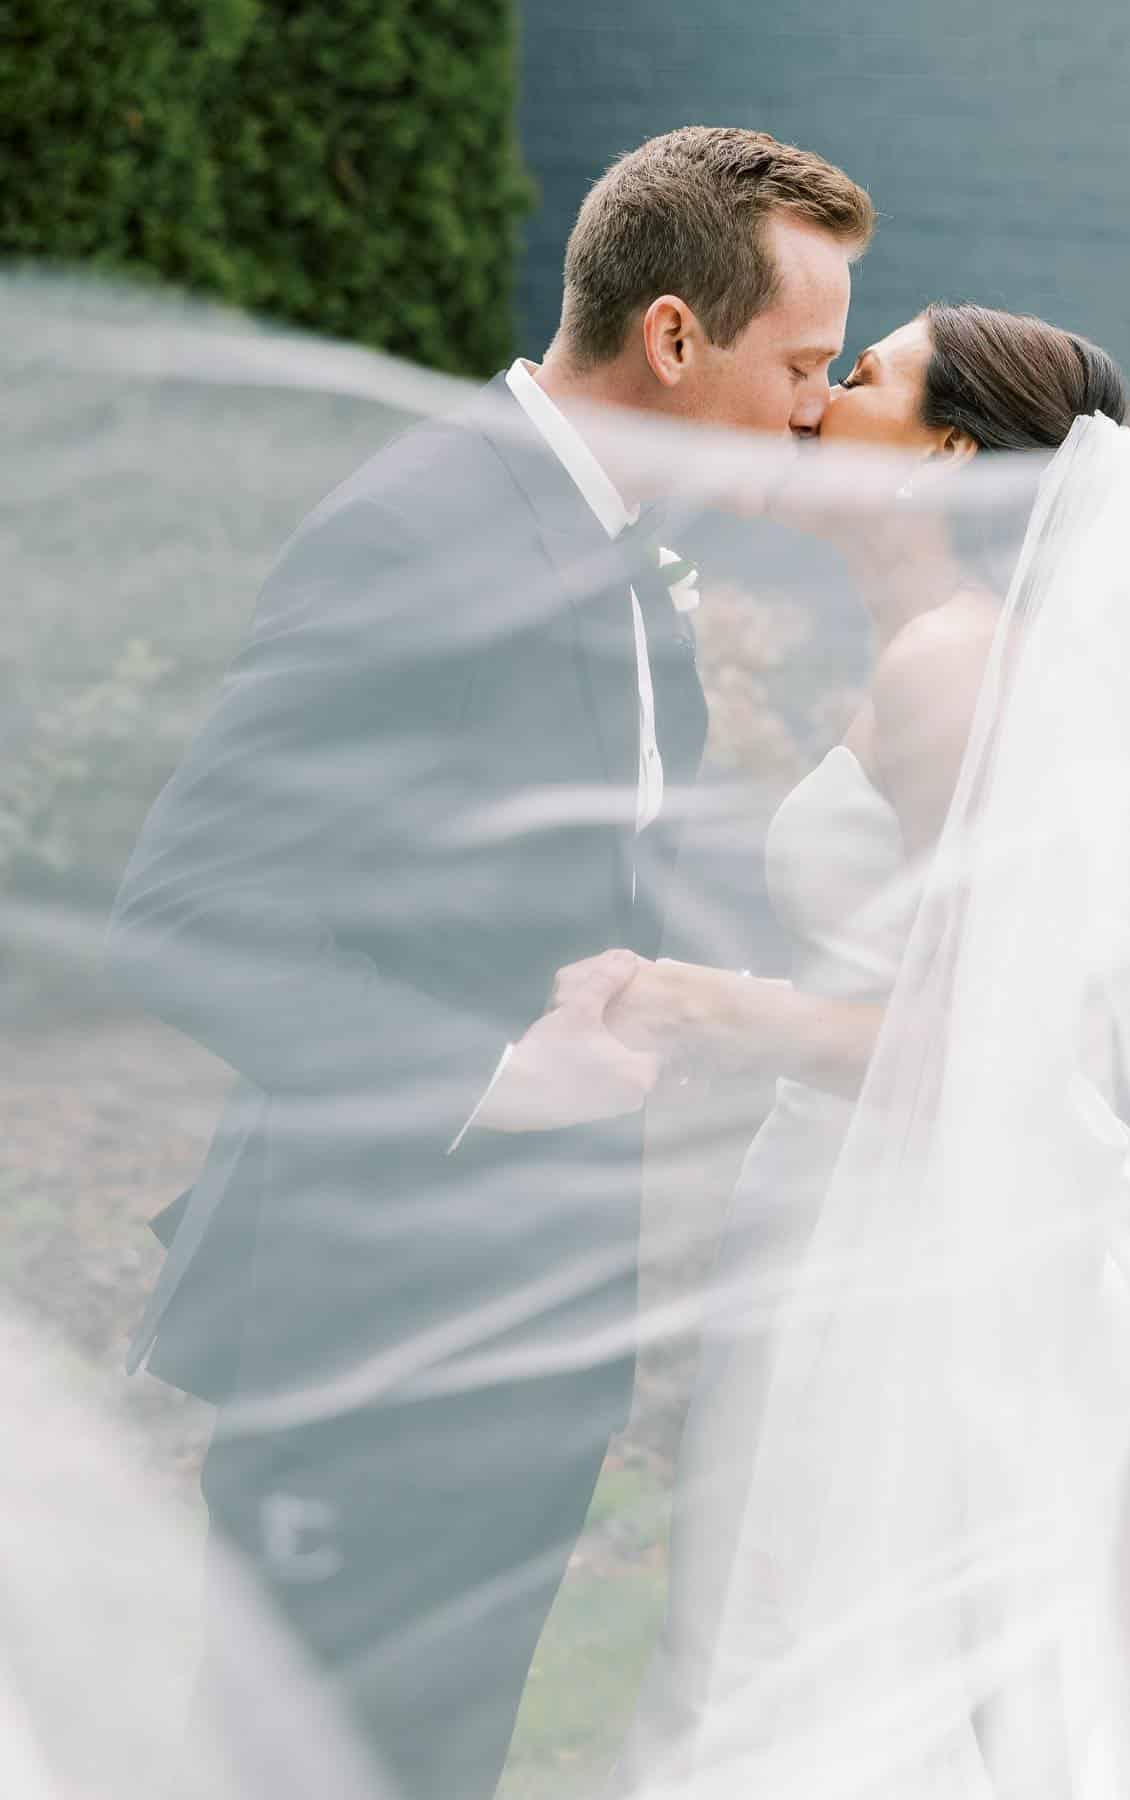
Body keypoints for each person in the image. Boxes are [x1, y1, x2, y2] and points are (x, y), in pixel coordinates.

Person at [108, 126, 874, 1800]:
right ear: (674, 337)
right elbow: (183, 906)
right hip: (377, 1333)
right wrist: (490, 1076)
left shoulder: (618, 541)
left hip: (523, 1325)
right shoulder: (420, 530)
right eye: (799, 365)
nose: (819, 408)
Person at [570, 304, 1130, 1797]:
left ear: (947, 455)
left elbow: (979, 1048)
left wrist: (710, 1007)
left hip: (897, 1246)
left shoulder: (951, 669)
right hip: (862, 1205)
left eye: (861, 373)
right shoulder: (937, 654)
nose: (819, 394)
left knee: (835, 1645)